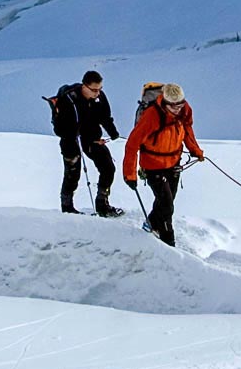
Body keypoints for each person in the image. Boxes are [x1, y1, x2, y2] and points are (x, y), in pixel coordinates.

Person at [122, 82, 203, 246]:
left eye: (180, 104)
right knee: (166, 205)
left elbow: (187, 130)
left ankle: (151, 224)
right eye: (173, 106)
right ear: (164, 102)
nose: (177, 109)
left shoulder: (184, 110)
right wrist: (129, 174)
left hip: (174, 163)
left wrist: (195, 150)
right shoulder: (152, 115)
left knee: (166, 200)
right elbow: (132, 144)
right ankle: (168, 242)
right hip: (153, 166)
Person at [54, 71, 122, 216]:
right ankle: (67, 207)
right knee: (73, 173)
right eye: (94, 90)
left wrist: (114, 133)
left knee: (108, 167)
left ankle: (102, 204)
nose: (97, 93)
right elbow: (59, 128)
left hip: (92, 137)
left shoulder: (100, 97)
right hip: (70, 139)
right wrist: (73, 133)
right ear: (84, 86)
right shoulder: (68, 99)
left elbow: (105, 117)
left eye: (100, 89)